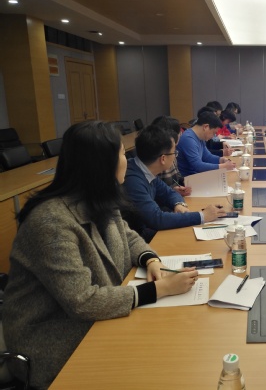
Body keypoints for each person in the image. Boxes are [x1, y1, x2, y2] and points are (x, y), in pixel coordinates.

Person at [3, 121, 199, 389]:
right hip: (53, 340)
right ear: (101, 164)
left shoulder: (99, 198)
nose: (128, 161)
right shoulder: (50, 222)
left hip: (94, 320)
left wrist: (150, 258)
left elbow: (128, 236)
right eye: (122, 154)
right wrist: (159, 290)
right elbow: (82, 301)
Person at [123, 125, 225, 239]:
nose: (175, 156)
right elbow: (157, 219)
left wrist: (178, 204)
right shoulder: (133, 180)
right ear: (163, 159)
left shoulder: (146, 169)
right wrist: (202, 216)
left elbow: (169, 192)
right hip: (140, 238)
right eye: (174, 153)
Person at [177, 111, 236, 176]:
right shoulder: (188, 139)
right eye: (213, 133)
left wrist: (221, 160)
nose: (213, 137)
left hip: (197, 175)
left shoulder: (200, 137)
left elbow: (207, 157)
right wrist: (224, 166)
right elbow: (198, 166)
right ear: (206, 127)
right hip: (188, 178)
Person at [151, 115, 192, 196]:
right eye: (179, 132)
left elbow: (178, 176)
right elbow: (157, 191)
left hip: (175, 195)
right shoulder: (158, 158)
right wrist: (173, 191)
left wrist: (185, 183)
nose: (181, 134)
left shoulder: (172, 151)